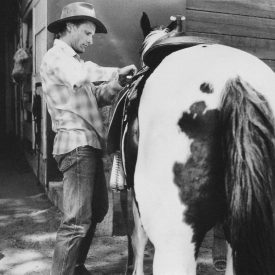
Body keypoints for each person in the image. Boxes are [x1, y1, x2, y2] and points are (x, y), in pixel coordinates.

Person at [40, 2, 137, 275]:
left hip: (89, 144)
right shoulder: (57, 57)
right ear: (69, 27)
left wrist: (117, 84)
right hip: (76, 144)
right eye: (86, 33)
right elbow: (82, 76)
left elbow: (95, 97)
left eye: (92, 34)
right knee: (76, 222)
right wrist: (114, 71)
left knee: (97, 210)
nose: (90, 40)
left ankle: (76, 266)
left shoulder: (73, 62)